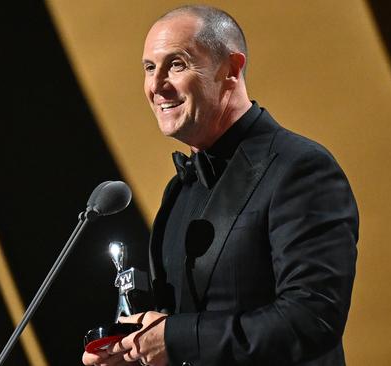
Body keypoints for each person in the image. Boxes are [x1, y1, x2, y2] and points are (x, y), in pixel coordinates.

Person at [83, 5, 358, 366]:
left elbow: (312, 320)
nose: (156, 86)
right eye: (150, 68)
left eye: (176, 64)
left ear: (231, 69)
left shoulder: (300, 168)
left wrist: (176, 338)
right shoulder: (178, 193)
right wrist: (136, 350)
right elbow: (181, 332)